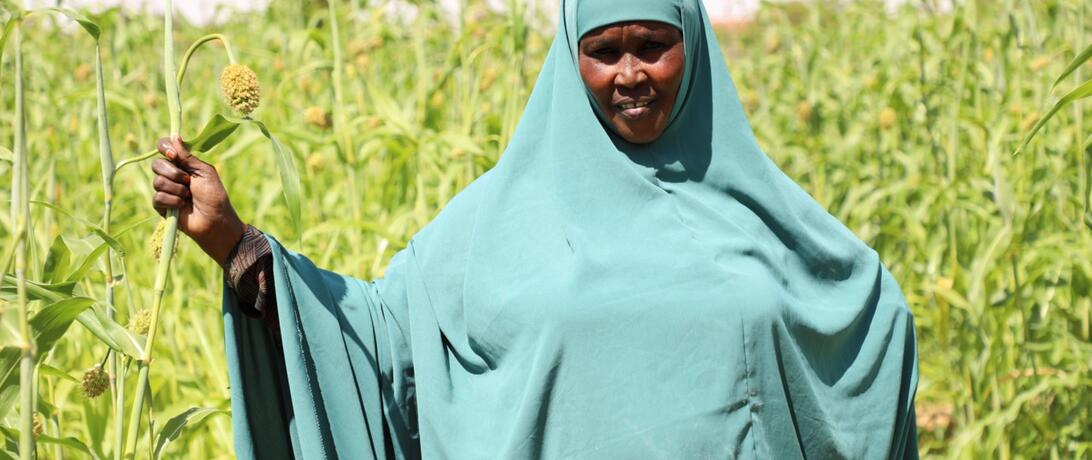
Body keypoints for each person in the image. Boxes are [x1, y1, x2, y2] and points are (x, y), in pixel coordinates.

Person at [151, 0, 919, 458]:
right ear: (569, 60)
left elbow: (857, 327)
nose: (630, 73)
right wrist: (236, 242)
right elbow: (381, 343)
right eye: (603, 51)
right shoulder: (499, 221)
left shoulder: (759, 214)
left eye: (653, 45)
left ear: (695, 49)